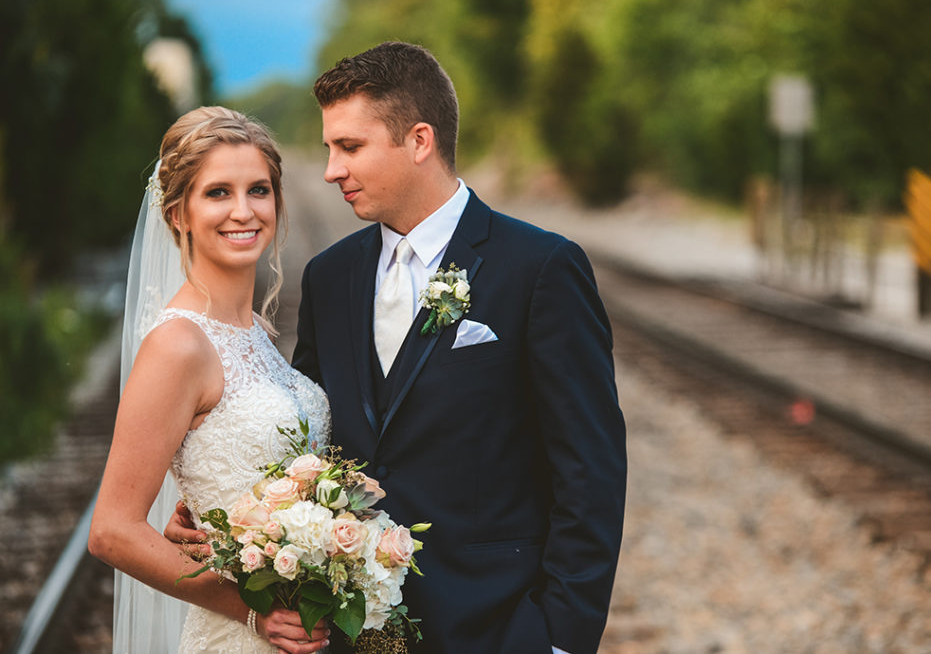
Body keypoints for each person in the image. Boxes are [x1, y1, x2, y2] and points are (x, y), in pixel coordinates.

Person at [169, 42, 628, 653]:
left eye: (349, 148)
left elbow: (590, 471)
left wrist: (560, 639)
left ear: (419, 140)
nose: (331, 169)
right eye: (330, 148)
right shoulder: (332, 277)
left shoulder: (540, 267)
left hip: (495, 626)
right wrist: (229, 509)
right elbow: (307, 433)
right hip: (350, 632)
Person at [89, 106, 331, 654]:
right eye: (218, 192)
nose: (243, 211)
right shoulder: (178, 344)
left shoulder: (258, 334)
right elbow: (112, 529)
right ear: (178, 214)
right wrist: (255, 612)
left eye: (259, 191)